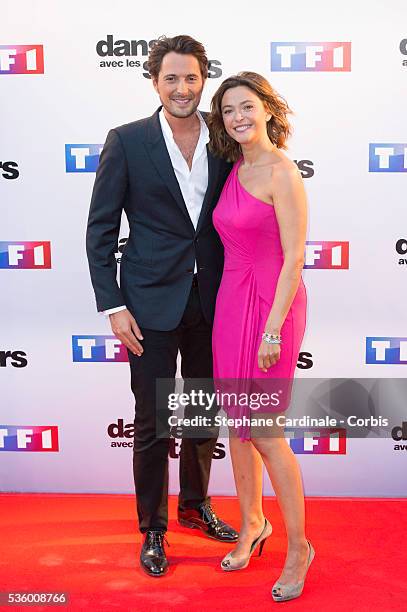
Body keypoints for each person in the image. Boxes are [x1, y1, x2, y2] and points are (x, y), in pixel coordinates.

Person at [86, 35, 238, 578]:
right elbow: (101, 228)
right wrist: (112, 304)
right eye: (171, 78)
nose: (182, 88)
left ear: (204, 79)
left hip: (213, 300)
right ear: (155, 81)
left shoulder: (225, 138)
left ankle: (196, 507)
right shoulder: (126, 140)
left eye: (192, 78)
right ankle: (153, 525)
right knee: (152, 420)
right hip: (148, 301)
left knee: (202, 411)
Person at [209, 72, 314, 602]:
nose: (238, 117)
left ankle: (299, 547)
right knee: (238, 427)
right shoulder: (233, 168)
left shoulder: (282, 171)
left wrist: (273, 327)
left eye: (246, 106)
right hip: (231, 304)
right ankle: (252, 523)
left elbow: (295, 256)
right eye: (228, 110)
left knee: (267, 433)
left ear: (268, 110)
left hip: (273, 307)